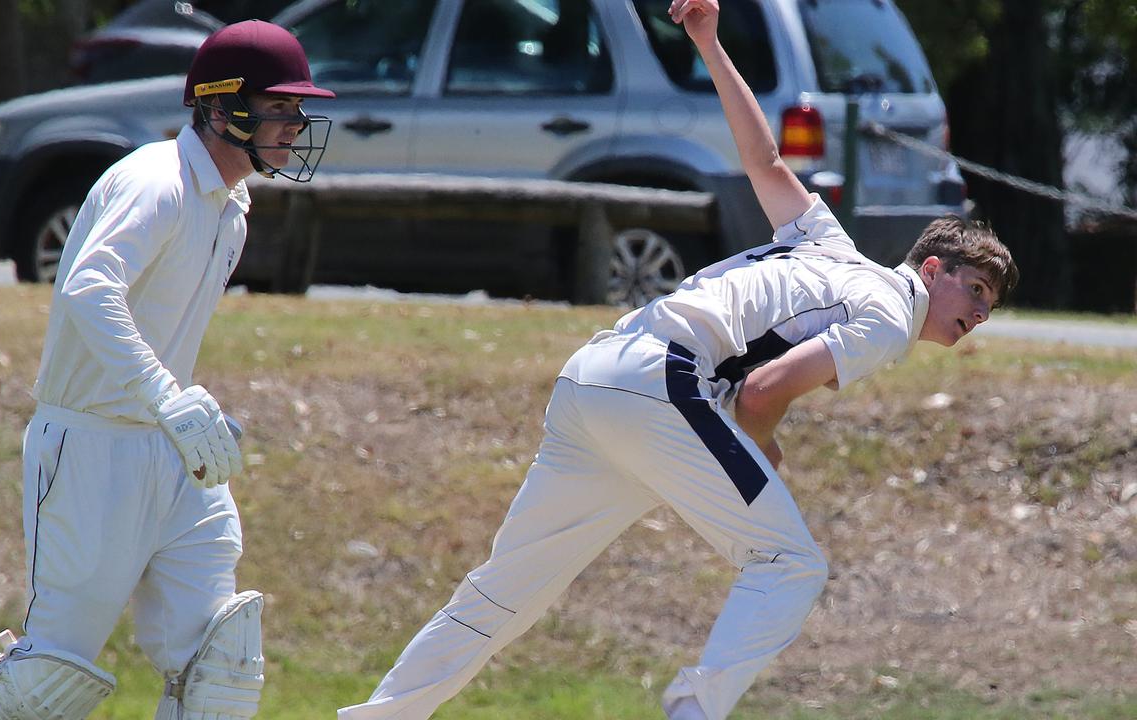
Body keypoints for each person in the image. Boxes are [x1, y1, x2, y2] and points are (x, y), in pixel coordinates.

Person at [337, 1, 1018, 718]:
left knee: (504, 593)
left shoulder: (826, 242)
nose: (975, 313)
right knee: (791, 564)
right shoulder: (888, 313)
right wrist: (765, 455)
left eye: (988, 306)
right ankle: (693, 711)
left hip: (594, 378)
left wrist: (707, 41)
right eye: (972, 289)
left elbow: (764, 159)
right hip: (659, 389)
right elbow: (761, 392)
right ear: (932, 268)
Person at [0, 20, 333, 720]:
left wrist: (173, 408)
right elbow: (87, 287)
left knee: (220, 662)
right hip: (90, 449)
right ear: (218, 106)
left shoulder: (230, 206)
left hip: (169, 452)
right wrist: (163, 393)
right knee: (50, 680)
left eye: (297, 109)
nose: (295, 124)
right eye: (278, 107)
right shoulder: (156, 182)